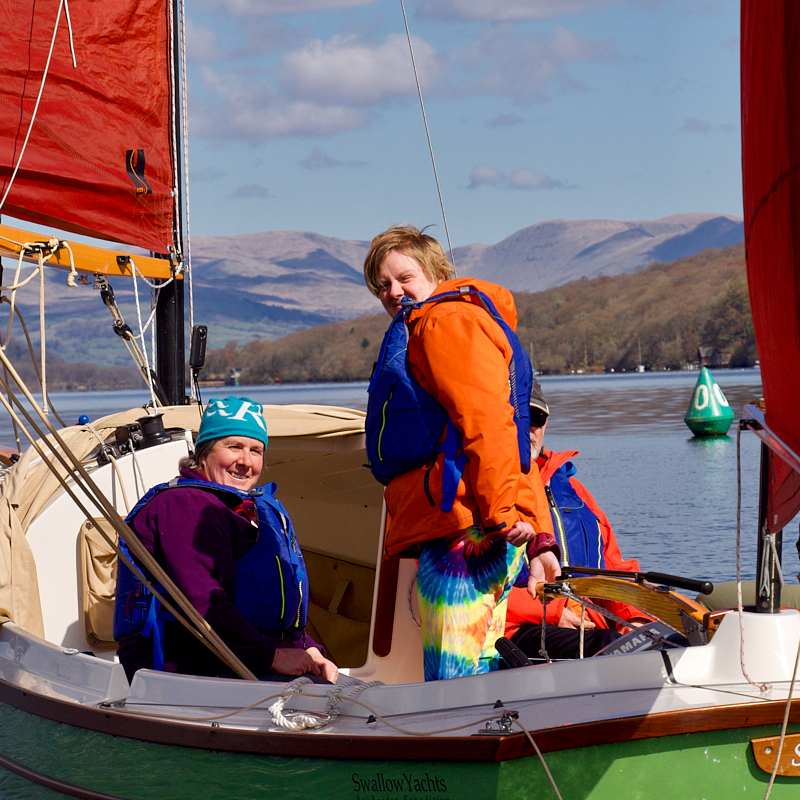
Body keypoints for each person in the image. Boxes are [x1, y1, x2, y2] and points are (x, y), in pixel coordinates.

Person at [364, 224, 559, 681]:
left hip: (468, 532)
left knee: (453, 681)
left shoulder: (442, 323)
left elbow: (489, 424)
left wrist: (503, 514)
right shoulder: (446, 321)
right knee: (480, 669)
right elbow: (513, 438)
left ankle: (462, 746)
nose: (394, 292)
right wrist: (538, 537)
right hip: (480, 524)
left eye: (404, 277)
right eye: (383, 286)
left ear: (435, 272)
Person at [115, 396, 338, 684]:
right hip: (185, 671)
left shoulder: (244, 510)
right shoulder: (185, 506)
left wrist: (309, 651)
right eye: (233, 447)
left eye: (256, 451)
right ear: (204, 453)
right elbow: (205, 604)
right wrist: (274, 656)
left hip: (241, 658)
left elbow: (265, 609)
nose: (245, 461)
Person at [505, 379, 650, 661]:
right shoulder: (479, 494)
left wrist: (635, 619)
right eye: (517, 417)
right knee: (605, 644)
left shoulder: (575, 491)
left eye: (536, 418)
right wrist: (553, 612)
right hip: (518, 631)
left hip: (591, 624)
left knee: (664, 639)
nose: (528, 428)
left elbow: (615, 568)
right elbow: (466, 592)